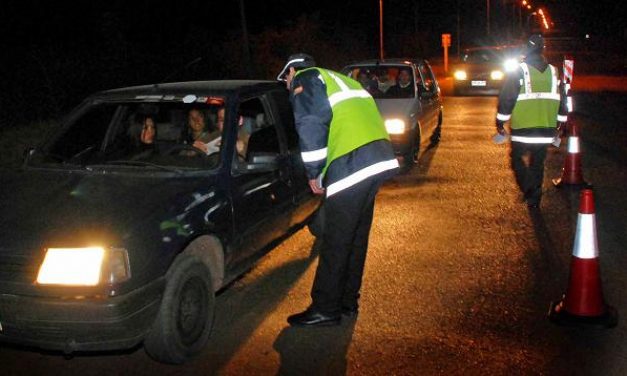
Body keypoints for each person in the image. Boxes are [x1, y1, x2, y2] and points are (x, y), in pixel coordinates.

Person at [277, 53, 399, 326]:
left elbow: (309, 125)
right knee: (355, 237)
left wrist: (315, 174)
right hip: (378, 156)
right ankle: (347, 302)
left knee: (336, 239)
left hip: (351, 161)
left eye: (285, 79)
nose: (287, 85)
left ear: (292, 71)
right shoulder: (341, 79)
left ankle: (325, 308)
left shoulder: (306, 79)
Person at [495, 34, 569, 208]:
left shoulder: (519, 70)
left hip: (523, 127)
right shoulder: (554, 71)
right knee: (538, 162)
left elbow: (507, 98)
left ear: (526, 49)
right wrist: (561, 123)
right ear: (543, 49)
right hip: (546, 127)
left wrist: (500, 122)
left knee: (516, 159)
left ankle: (530, 189)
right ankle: (535, 197)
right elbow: (562, 98)